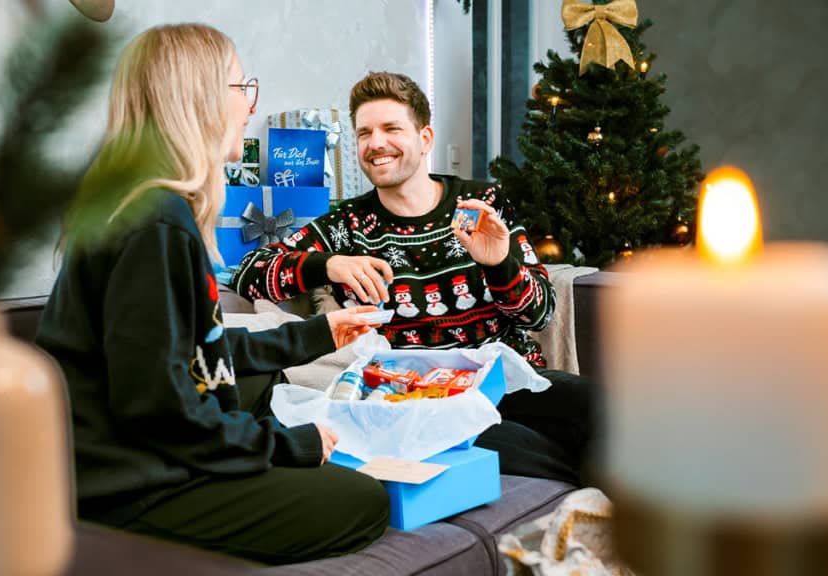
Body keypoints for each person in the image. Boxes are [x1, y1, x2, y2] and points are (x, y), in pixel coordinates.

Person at [34, 24, 389, 565]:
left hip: (117, 450)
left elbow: (195, 350)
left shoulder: (143, 202)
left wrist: (317, 334)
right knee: (363, 502)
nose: (249, 106)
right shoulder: (156, 223)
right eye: (241, 88)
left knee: (260, 383)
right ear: (196, 97)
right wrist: (287, 446)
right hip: (124, 483)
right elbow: (158, 410)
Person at [233, 71, 596, 486]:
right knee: (534, 454)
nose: (376, 143)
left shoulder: (481, 203)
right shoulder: (347, 226)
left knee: (606, 408)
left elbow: (541, 314)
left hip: (508, 382)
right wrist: (329, 265)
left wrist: (500, 264)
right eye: (364, 133)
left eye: (391, 128)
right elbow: (249, 273)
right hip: (421, 402)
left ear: (425, 139)